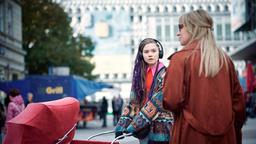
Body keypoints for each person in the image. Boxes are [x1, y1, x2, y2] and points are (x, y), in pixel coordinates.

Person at [163, 10, 246, 144]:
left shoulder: (180, 59)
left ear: (193, 27)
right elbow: (238, 106)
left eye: (180, 27)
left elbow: (171, 100)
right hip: (226, 136)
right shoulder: (225, 59)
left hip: (189, 134)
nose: (178, 33)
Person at [115, 38, 173, 144]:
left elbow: (157, 103)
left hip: (162, 127)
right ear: (141, 54)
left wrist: (135, 124)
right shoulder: (139, 76)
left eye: (153, 51)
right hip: (143, 129)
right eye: (146, 52)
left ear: (159, 53)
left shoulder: (167, 73)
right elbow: (133, 103)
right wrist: (121, 124)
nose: (150, 54)